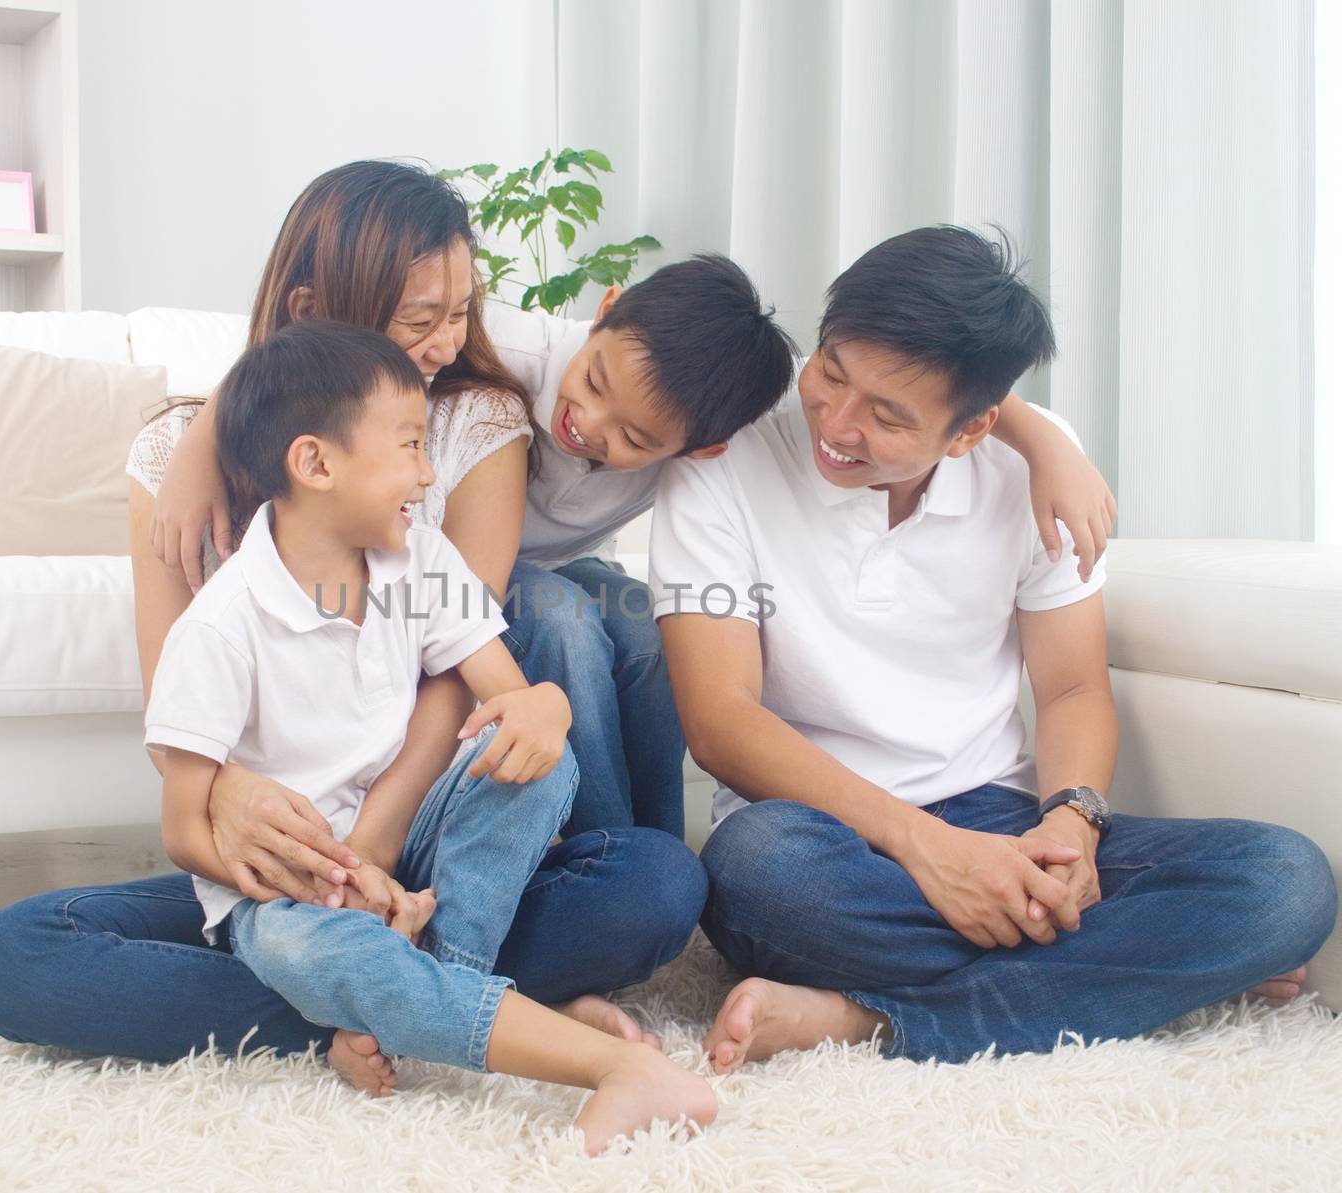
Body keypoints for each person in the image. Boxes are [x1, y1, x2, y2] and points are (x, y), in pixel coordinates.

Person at [0, 162, 707, 1068]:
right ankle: (442, 998)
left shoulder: (476, 422)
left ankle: (392, 988)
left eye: (461, 312)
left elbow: (459, 665)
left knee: (660, 881)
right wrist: (241, 813)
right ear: (315, 306)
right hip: (286, 867)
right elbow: (176, 705)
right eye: (418, 318)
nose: (443, 342)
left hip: (427, 838)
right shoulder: (181, 455)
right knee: (15, 957)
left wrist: (378, 844)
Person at [152, 164, 1119, 842]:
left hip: (479, 587)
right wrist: (204, 434)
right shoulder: (522, 363)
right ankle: (607, 852)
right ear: (602, 314)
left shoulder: (711, 403)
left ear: (699, 444)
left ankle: (648, 856)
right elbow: (299, 368)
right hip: (479, 589)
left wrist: (1040, 442)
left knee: (641, 632)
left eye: (637, 441)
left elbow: (900, 386)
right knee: (571, 613)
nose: (591, 425)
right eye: (596, 381)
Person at [649, 224, 1336, 1070]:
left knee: (1285, 881)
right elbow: (720, 722)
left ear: (973, 430)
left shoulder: (1029, 466)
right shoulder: (723, 457)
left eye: (888, 416)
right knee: (756, 871)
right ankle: (1132, 973)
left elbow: (1075, 689)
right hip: (818, 831)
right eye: (831, 369)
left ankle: (874, 1022)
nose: (836, 419)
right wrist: (928, 850)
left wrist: (1071, 825)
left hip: (1000, 815)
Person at [149, 320, 714, 1153]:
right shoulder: (221, 627)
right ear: (316, 463)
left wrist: (544, 706)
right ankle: (593, 1057)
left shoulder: (421, 558)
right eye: (412, 446)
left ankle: (436, 989)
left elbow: (505, 696)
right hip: (292, 895)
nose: (426, 473)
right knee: (322, 953)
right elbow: (183, 829)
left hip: (417, 852)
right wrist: (324, 878)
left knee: (546, 774)